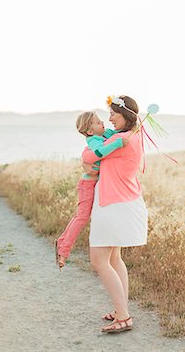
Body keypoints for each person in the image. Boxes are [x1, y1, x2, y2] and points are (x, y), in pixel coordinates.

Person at [82, 95, 148, 334]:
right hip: (121, 203)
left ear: (125, 115)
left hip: (114, 205)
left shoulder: (122, 139)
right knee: (113, 260)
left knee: (98, 260)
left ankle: (124, 316)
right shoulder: (132, 136)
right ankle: (121, 309)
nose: (109, 118)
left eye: (113, 114)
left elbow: (89, 156)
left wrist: (89, 146)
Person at [55, 111, 129, 269]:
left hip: (96, 184)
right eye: (97, 122)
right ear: (89, 131)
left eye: (101, 120)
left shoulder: (103, 134)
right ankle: (63, 250)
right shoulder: (94, 140)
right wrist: (116, 144)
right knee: (81, 218)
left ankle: (61, 244)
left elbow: (118, 132)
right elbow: (98, 153)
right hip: (87, 185)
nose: (103, 123)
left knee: (81, 217)